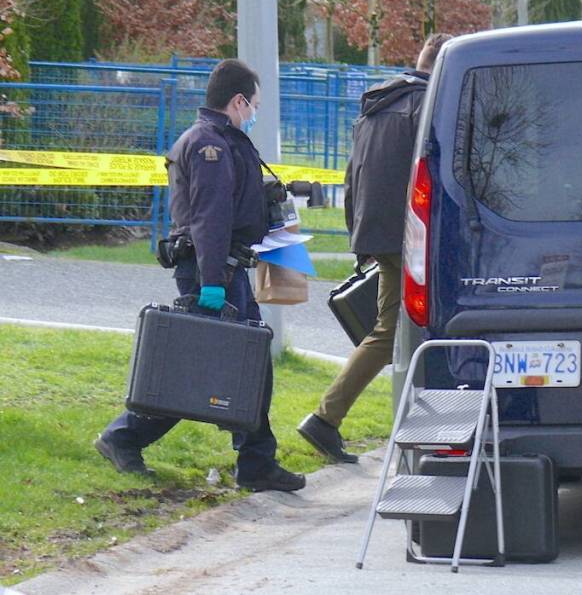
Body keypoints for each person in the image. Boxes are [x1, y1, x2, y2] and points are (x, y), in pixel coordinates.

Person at [95, 59, 305, 493]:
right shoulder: (209, 145)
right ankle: (123, 437)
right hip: (213, 270)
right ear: (238, 100)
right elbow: (210, 217)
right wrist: (212, 281)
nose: (254, 113)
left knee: (245, 366)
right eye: (254, 105)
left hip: (223, 267)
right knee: (198, 368)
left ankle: (256, 461)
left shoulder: (223, 140)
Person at [297, 34, 453, 462]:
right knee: (410, 330)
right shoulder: (426, 106)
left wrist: (358, 236)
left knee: (392, 332)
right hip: (413, 237)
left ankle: (328, 419)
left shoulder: (375, 107)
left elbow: (353, 176)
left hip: (379, 233)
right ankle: (327, 419)